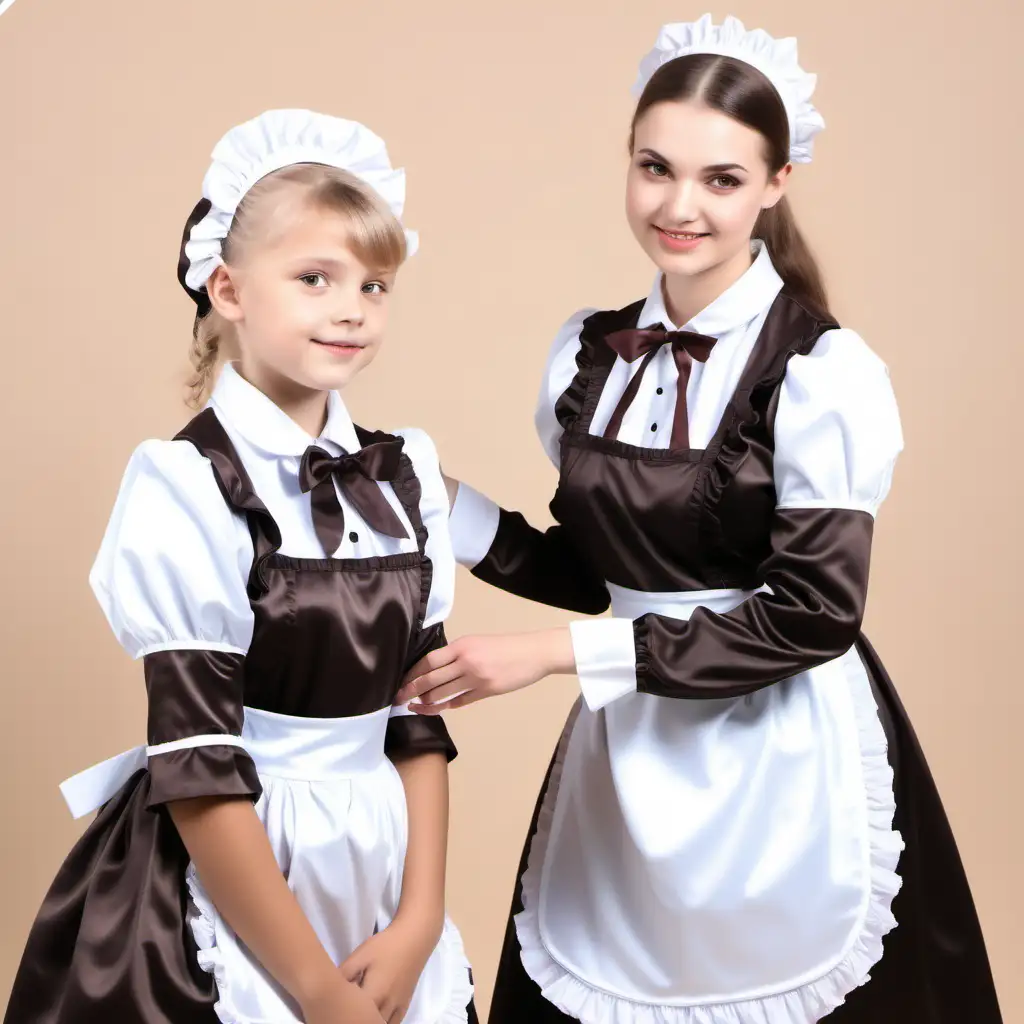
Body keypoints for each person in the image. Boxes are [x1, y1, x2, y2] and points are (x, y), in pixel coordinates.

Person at [398, 17, 1003, 1023]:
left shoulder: (822, 373)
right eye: (654, 168)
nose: (679, 206)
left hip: (781, 756)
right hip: (629, 752)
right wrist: (445, 505)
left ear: (775, 184)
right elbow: (607, 576)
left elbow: (811, 615)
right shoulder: (587, 355)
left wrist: (553, 656)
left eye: (721, 179)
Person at [5, 109, 476, 1024]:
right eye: (315, 278)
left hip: (378, 864)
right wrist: (310, 988)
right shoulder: (185, 484)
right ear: (227, 288)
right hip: (238, 860)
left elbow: (417, 716)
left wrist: (419, 918)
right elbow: (201, 762)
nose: (352, 308)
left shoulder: (403, 472)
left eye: (375, 285)